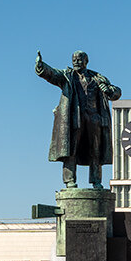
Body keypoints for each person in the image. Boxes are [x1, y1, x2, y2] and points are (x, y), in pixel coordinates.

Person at [35, 50, 122, 189]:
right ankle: (69, 181)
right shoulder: (67, 76)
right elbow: (52, 74)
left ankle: (96, 181)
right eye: (74, 59)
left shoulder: (97, 78)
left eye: (79, 59)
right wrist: (41, 66)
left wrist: (109, 91)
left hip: (95, 119)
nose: (76, 61)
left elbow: (116, 93)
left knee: (96, 151)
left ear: (86, 61)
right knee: (71, 149)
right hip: (75, 119)